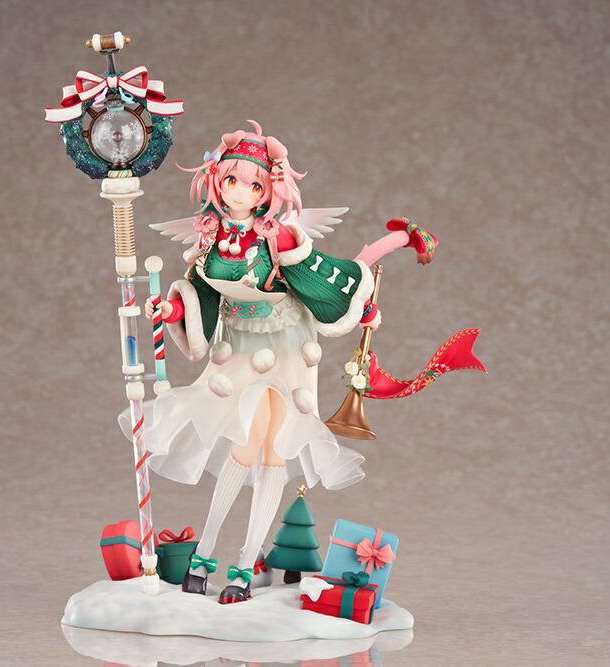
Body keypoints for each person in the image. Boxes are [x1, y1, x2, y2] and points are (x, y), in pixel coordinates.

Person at [120, 120, 403, 604]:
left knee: (273, 448)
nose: (241, 192)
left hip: (284, 344)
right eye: (232, 180)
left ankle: (243, 565)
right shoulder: (210, 236)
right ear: (216, 180)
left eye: (254, 185)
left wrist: (356, 301)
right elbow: (202, 292)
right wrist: (172, 310)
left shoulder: (277, 235)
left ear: (268, 190)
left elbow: (312, 275)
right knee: (244, 443)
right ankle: (205, 554)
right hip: (239, 346)